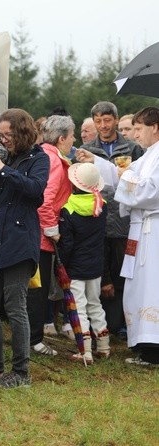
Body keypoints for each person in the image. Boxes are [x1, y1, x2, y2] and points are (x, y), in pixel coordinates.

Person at [0, 108, 49, 388]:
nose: (3, 140)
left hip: (19, 240)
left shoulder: (38, 159)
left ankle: (21, 373)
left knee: (15, 307)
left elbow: (35, 190)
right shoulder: (2, 158)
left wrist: (2, 169)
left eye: (8, 134)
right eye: (0, 135)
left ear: (23, 132)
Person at [81, 101, 144, 339]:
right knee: (100, 271)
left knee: (125, 271)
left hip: (126, 220)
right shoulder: (88, 149)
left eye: (107, 120)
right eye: (98, 121)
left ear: (116, 120)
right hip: (98, 218)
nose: (103, 126)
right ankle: (102, 324)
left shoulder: (133, 148)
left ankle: (126, 322)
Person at [114, 106, 159, 366]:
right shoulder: (147, 155)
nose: (135, 135)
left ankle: (153, 347)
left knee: (151, 287)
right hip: (141, 228)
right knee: (138, 286)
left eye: (139, 129)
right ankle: (144, 344)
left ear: (155, 127)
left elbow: (151, 190)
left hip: (153, 231)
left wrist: (125, 178)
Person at [26, 115, 74, 356]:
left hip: (36, 230)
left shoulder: (44, 153)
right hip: (41, 234)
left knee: (36, 286)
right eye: (72, 136)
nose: (74, 140)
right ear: (62, 138)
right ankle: (33, 339)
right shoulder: (53, 160)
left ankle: (31, 336)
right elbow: (45, 200)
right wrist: (52, 228)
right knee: (38, 287)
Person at [58, 163, 110, 364]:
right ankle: (104, 345)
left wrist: (63, 266)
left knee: (78, 307)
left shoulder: (68, 209)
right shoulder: (101, 205)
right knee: (95, 304)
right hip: (96, 266)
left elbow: (68, 244)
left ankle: (84, 350)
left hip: (76, 268)